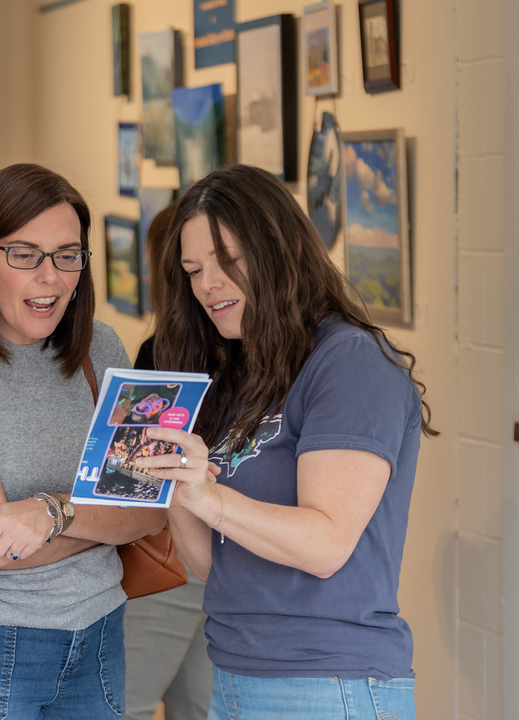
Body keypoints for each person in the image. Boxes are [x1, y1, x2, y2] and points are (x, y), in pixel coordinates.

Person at [137, 164, 436, 720]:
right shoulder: (243, 371)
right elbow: (213, 567)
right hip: (233, 675)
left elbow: (324, 545)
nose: (207, 284)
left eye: (229, 261)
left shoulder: (349, 363)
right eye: (193, 269)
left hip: (327, 683)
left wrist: (210, 497)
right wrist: (176, 487)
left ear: (288, 247)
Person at [0, 163, 168, 720]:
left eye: (69, 255)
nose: (51, 277)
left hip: (98, 635)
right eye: (24, 254)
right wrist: (101, 516)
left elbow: (148, 516)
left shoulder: (102, 349)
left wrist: (50, 514)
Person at [125, 203, 213, 720]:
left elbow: (137, 469)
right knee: (202, 707)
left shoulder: (163, 351)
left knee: (124, 703)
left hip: (174, 550)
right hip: (233, 554)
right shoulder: (258, 350)